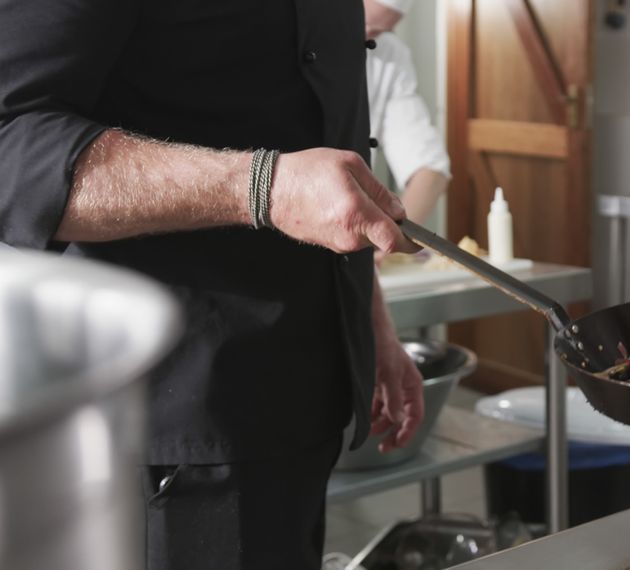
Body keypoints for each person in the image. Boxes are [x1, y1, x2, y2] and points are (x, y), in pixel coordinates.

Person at [0, 1, 423, 568]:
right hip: (168, 433)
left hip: (304, 405)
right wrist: (263, 187)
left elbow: (320, 136)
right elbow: (12, 144)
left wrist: (371, 321)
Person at [364, 0, 451, 236]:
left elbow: (430, 169)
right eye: (366, 22)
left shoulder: (389, 53)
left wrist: (387, 238)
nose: (369, 36)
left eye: (383, 30)